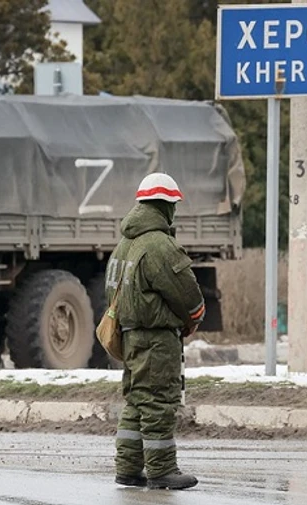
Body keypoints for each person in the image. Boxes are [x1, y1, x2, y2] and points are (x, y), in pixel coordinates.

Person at [105, 172, 205, 490]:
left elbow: (111, 293)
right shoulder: (160, 245)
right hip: (156, 339)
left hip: (130, 336)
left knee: (137, 400)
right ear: (164, 206)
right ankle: (162, 470)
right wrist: (193, 318)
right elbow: (187, 294)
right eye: (173, 205)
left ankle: (128, 469)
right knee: (158, 401)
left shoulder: (123, 245)